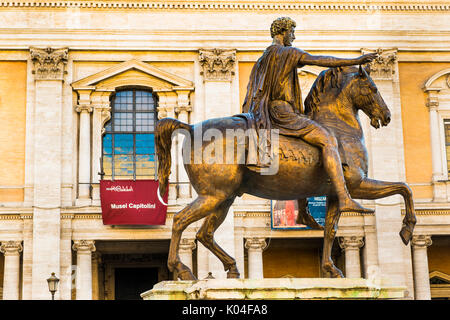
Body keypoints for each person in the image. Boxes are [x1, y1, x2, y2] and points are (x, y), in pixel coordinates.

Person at [242, 17, 376, 215]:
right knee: (327, 140)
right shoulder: (287, 53)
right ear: (283, 32)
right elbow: (322, 61)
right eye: (292, 32)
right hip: (283, 112)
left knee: (305, 150)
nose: (294, 36)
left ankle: (304, 210)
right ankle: (345, 197)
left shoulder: (264, 57)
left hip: (265, 111)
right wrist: (356, 61)